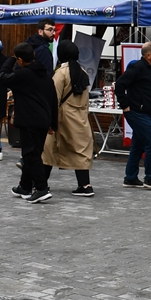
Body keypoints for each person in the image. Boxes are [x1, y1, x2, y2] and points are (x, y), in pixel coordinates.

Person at [0, 42, 57, 203]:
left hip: (29, 119)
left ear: (19, 59)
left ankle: (41, 188)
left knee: (30, 154)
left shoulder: (24, 74)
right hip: (44, 120)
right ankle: (25, 186)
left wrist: (10, 60)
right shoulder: (46, 75)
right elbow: (54, 100)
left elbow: (2, 77)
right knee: (33, 153)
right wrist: (54, 123)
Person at [114, 41, 151, 190]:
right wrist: (124, 104)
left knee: (138, 145)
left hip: (147, 112)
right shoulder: (137, 67)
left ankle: (131, 177)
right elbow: (120, 84)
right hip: (135, 112)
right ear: (148, 55)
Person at [46, 40, 95, 196]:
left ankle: (41, 183)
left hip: (62, 117)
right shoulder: (83, 72)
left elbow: (53, 98)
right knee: (80, 150)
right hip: (80, 117)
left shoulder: (61, 73)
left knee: (48, 150)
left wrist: (50, 121)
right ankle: (85, 185)